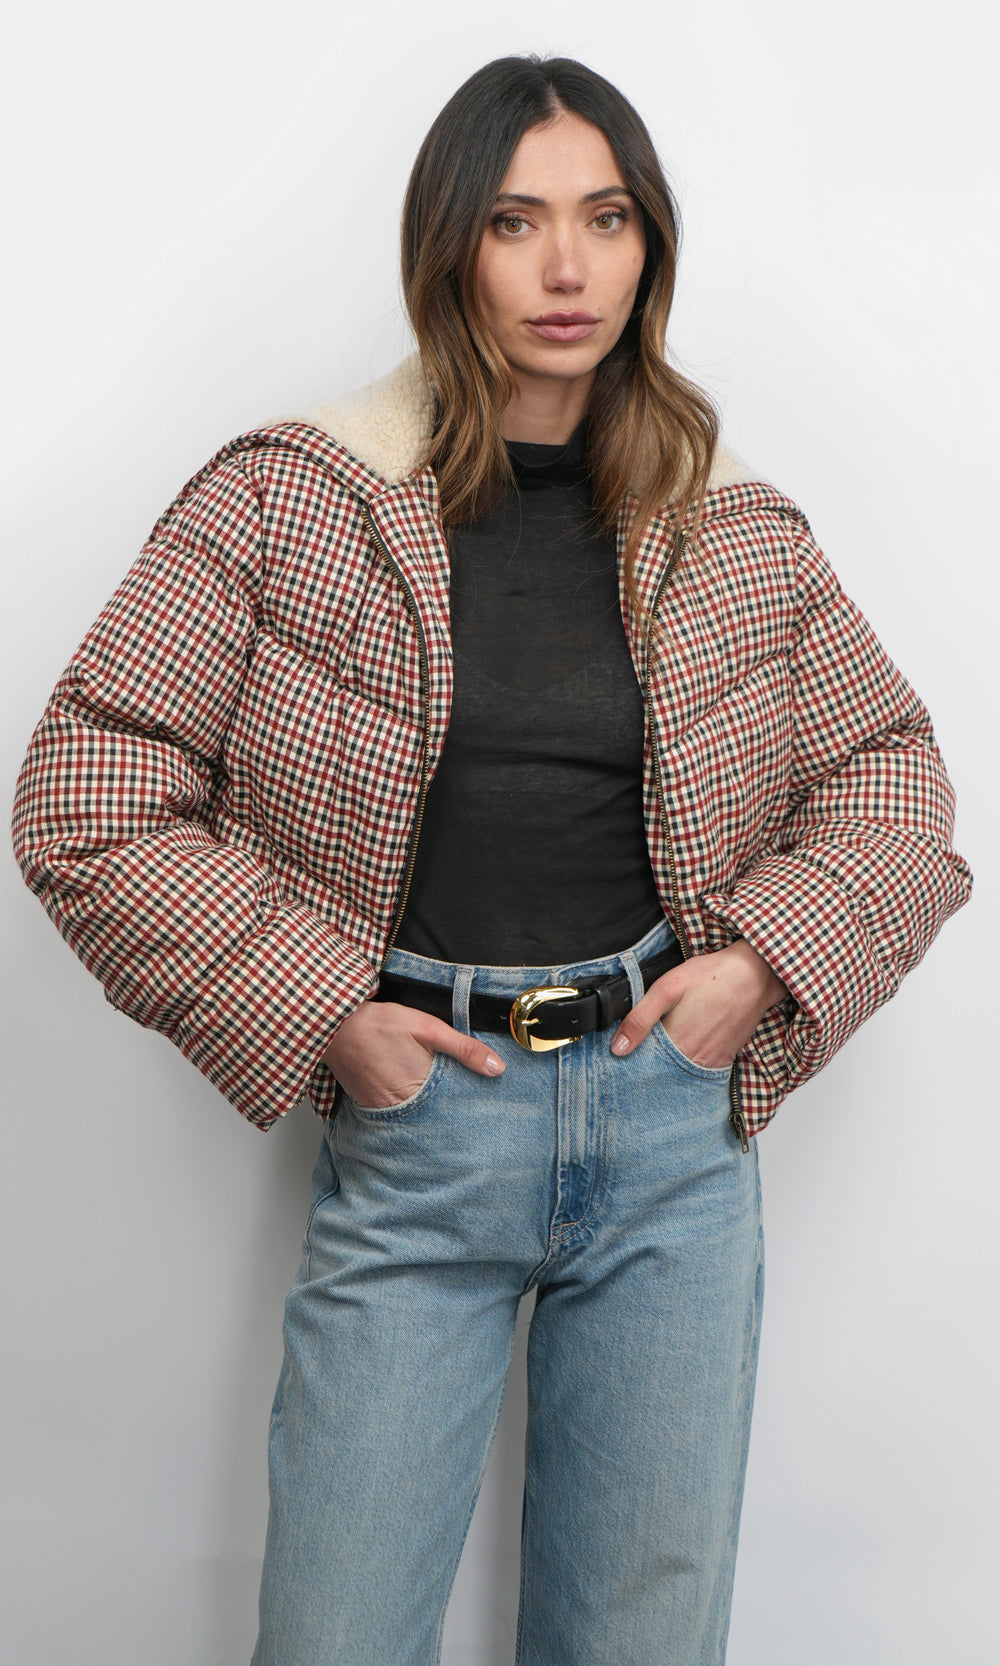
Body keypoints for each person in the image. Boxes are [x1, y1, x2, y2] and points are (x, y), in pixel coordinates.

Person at [11, 53, 970, 1666]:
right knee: (335, 1637)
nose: (566, 266)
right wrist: (325, 1011)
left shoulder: (730, 522)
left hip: (671, 1135)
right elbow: (87, 788)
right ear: (449, 243)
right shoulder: (291, 498)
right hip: (424, 1125)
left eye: (607, 217)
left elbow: (895, 780)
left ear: (651, 245)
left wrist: (759, 967)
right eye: (517, 222)